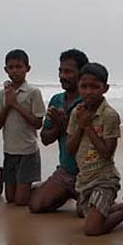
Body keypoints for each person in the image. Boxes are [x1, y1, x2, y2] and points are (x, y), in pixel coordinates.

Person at [66, 63, 123, 236]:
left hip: (104, 180)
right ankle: (120, 206)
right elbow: (70, 149)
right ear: (78, 87)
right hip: (85, 179)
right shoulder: (76, 113)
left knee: (92, 229)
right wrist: (80, 125)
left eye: (95, 87)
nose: (88, 91)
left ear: (105, 88)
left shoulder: (109, 115)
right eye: (84, 86)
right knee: (82, 212)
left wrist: (87, 127)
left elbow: (107, 152)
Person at [30, 49, 89, 213]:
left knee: (84, 213)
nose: (62, 76)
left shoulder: (89, 101)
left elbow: (89, 140)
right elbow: (45, 139)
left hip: (88, 173)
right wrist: (57, 126)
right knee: (36, 206)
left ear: (81, 73)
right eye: (61, 71)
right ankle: (57, 189)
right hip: (65, 171)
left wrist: (64, 126)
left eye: (68, 71)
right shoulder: (56, 100)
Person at [0, 49, 46, 206]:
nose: (15, 71)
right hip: (10, 150)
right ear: (6, 70)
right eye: (11, 67)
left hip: (27, 150)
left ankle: (44, 187)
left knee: (21, 201)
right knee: (10, 198)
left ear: (27, 68)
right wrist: (8, 105)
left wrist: (15, 105)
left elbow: (38, 123)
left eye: (19, 67)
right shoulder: (3, 94)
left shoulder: (33, 92)